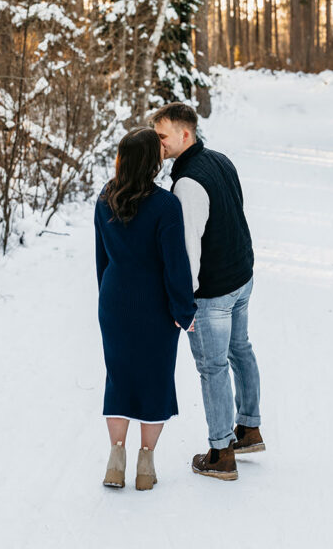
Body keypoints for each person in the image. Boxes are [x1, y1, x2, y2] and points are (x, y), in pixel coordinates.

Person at [151, 102, 264, 482]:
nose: (158, 144)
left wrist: (184, 302)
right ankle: (248, 430)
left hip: (213, 293)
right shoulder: (219, 159)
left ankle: (221, 453)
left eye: (162, 136)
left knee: (213, 367)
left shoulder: (187, 183)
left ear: (185, 134)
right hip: (241, 278)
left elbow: (188, 249)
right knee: (240, 349)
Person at [95, 127, 196, 491]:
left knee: (119, 379)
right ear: (153, 162)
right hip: (154, 306)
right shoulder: (166, 205)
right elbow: (175, 265)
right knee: (155, 380)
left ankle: (115, 459)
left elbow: (101, 259)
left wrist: (108, 299)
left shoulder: (105, 198)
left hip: (114, 301)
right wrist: (184, 311)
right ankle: (145, 464)